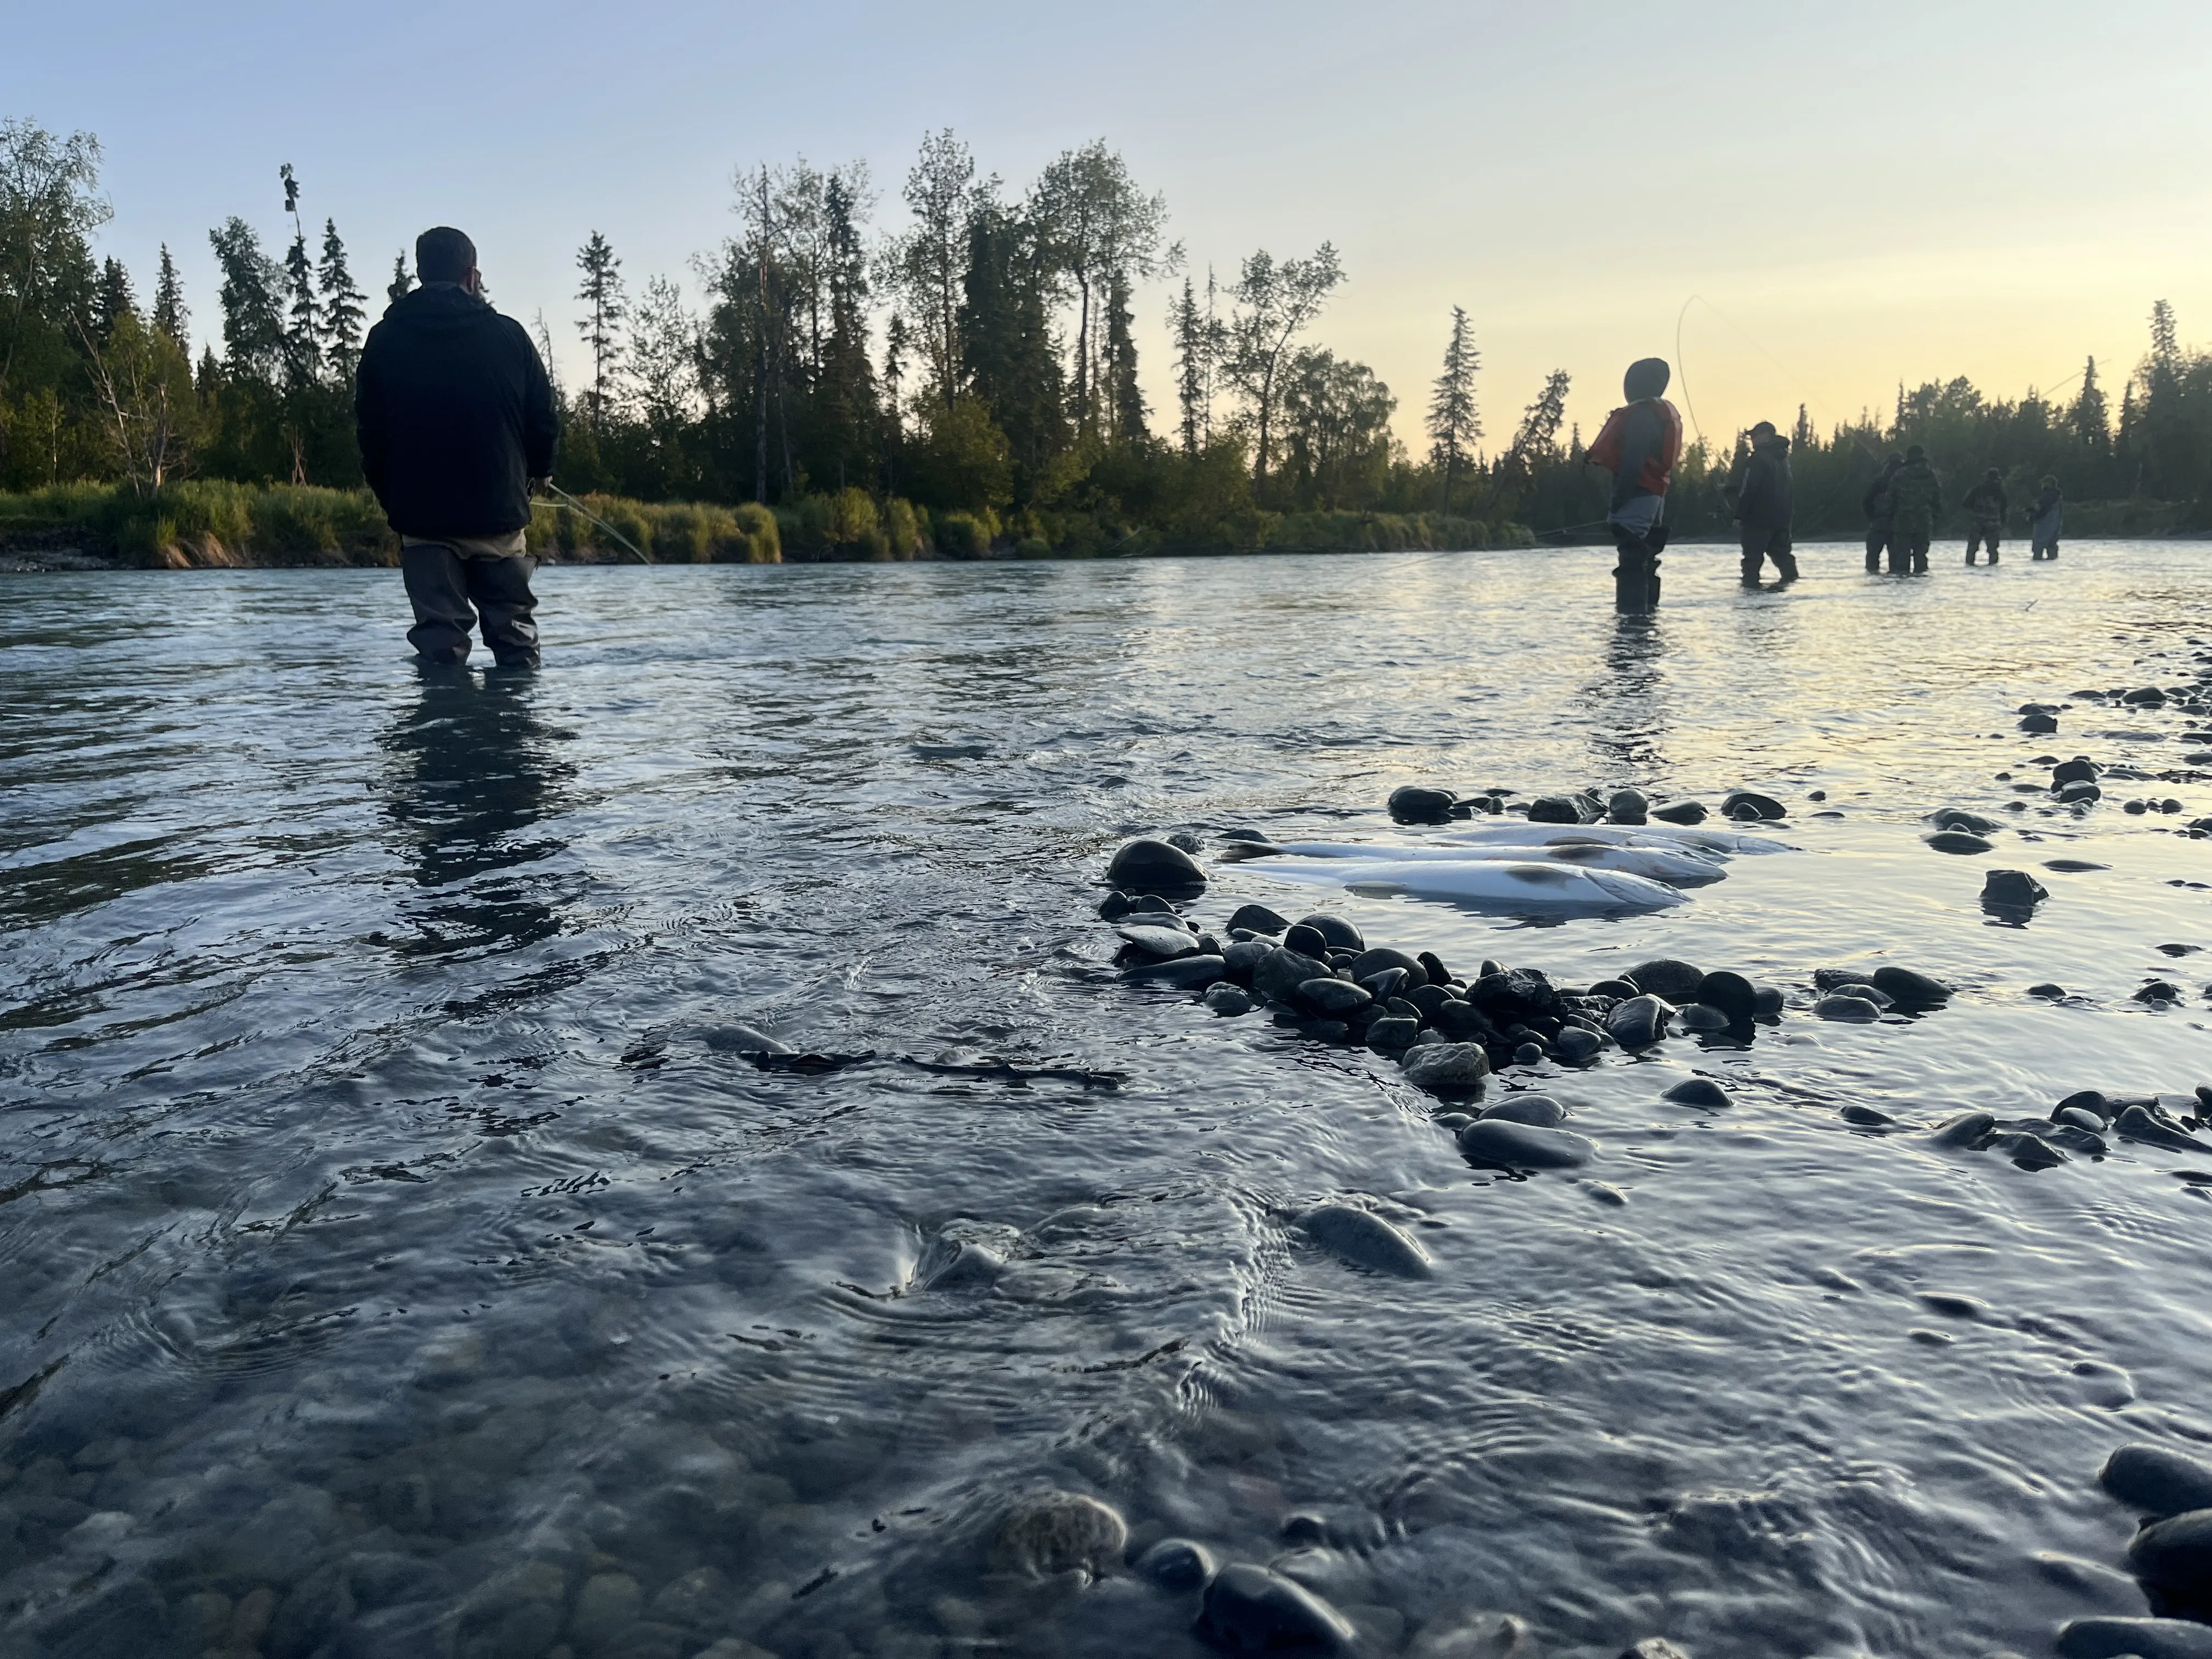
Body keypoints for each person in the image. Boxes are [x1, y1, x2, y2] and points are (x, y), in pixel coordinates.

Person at [357, 226, 558, 669]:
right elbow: (542, 417)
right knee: (516, 643)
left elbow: (370, 435)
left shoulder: (384, 339)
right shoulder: (510, 336)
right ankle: (516, 733)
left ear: (420, 273)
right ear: (473, 276)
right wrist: (541, 470)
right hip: (500, 516)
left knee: (440, 647)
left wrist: (392, 499)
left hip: (422, 519)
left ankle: (443, 735)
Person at [1586, 358, 1683, 611]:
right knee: (1646, 556)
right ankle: (1647, 616)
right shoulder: (1656, 415)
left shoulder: (1641, 416)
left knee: (1632, 555)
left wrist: (1619, 498)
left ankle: (1632, 619)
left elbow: (1634, 459)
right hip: (1655, 495)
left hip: (1638, 494)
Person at [1728, 420, 1798, 585]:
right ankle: (1792, 590)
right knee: (1784, 558)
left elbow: (1750, 488)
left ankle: (1751, 595)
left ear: (1766, 436)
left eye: (1755, 436)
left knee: (1752, 561)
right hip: (1782, 519)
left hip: (1757, 520)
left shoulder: (1758, 459)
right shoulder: (1782, 459)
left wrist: (1739, 515)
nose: (1752, 440)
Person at [1886, 444, 1942, 575]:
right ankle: (1920, 582)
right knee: (1921, 556)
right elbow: (1937, 499)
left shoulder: (1900, 474)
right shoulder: (1931, 475)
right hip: (1925, 520)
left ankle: (1905, 581)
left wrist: (1890, 516)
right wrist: (1936, 518)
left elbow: (1890, 498)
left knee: (1902, 557)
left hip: (1903, 521)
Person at [1861, 452, 1903, 573]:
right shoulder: (1904, 480)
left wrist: (1873, 517)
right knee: (1896, 565)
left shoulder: (1880, 480)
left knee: (1872, 562)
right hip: (1898, 526)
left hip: (1879, 524)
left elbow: (1866, 501)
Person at [1962, 467, 2008, 564]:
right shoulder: (2000, 492)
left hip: (1978, 522)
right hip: (1994, 523)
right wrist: (2003, 522)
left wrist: (1974, 512)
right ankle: (1993, 566)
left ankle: (1970, 565)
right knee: (1993, 550)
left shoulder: (1978, 489)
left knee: (1972, 547)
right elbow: (2004, 508)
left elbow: (1966, 504)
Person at [2029, 476, 2064, 558]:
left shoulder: (2049, 495)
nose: (2042, 485)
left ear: (2048, 484)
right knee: (2052, 548)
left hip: (2044, 527)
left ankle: (2038, 568)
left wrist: (2034, 517)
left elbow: (2044, 509)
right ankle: (2052, 568)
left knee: (2038, 550)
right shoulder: (2057, 495)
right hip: (2055, 527)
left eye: (2043, 483)